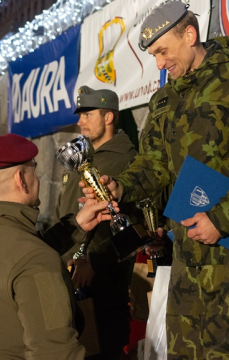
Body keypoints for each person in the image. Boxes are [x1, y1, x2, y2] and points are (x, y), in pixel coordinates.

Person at [83, 0, 229, 358]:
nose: (159, 64)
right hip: (187, 256)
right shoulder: (164, 101)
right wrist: (122, 186)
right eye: (154, 56)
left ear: (190, 35)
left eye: (163, 51)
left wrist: (220, 220)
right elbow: (153, 164)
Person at [0, 133, 117, 360]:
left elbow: (13, 256)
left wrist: (76, 225)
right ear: (20, 179)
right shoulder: (37, 261)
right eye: (33, 169)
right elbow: (56, 353)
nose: (38, 177)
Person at [57, 85, 136, 359]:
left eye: (87, 114)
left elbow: (126, 221)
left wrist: (90, 258)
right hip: (68, 269)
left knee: (104, 347)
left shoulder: (125, 159)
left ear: (109, 117)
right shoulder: (82, 156)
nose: (80, 121)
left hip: (102, 276)